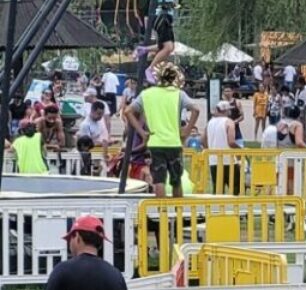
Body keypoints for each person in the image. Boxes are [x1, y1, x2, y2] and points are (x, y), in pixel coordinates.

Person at [122, 62, 199, 197]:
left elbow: (127, 111)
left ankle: (162, 213)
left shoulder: (147, 94)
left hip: (155, 142)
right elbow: (196, 109)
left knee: (159, 180)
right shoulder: (178, 94)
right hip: (174, 142)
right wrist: (186, 130)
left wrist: (142, 132)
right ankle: (177, 213)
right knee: (176, 180)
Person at [142, 0, 179, 77]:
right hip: (162, 18)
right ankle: (150, 69)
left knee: (167, 47)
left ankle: (143, 49)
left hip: (167, 19)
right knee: (168, 48)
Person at [204, 100, 240, 194]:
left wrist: (210, 149)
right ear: (227, 111)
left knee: (217, 189)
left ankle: (216, 208)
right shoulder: (229, 122)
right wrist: (241, 150)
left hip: (214, 160)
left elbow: (203, 140)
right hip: (229, 160)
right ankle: (234, 208)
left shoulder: (209, 123)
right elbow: (231, 142)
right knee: (235, 188)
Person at [75, 101, 112, 175]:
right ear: (92, 111)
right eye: (98, 114)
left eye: (102, 114)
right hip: (87, 154)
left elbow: (103, 137)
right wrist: (102, 142)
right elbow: (86, 145)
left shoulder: (100, 122)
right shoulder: (85, 125)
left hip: (99, 149)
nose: (101, 116)